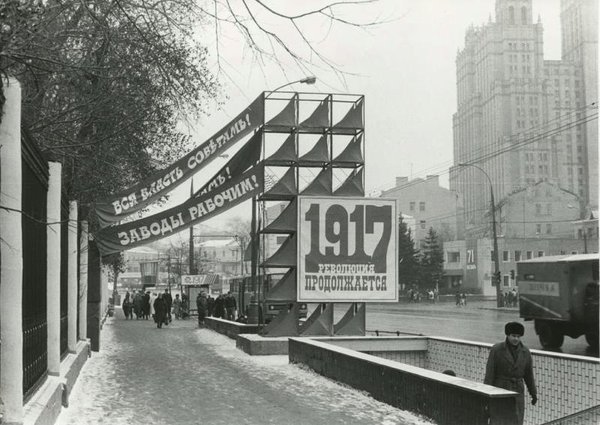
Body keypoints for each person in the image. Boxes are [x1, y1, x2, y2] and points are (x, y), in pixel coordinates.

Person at [484, 321, 537, 425]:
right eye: (513, 336)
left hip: (518, 392)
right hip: (500, 391)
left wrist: (533, 393)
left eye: (518, 336)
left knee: (516, 420)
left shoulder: (525, 352)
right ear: (507, 335)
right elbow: (490, 374)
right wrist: (486, 395)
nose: (516, 339)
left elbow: (529, 375)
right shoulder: (497, 350)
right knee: (499, 419)